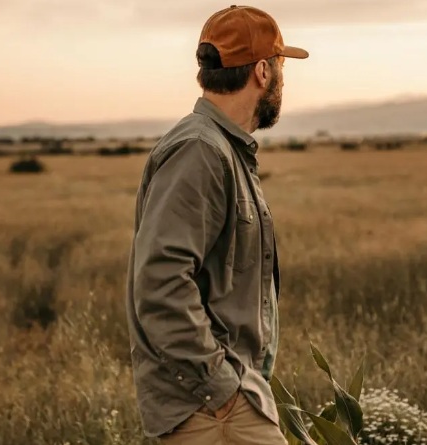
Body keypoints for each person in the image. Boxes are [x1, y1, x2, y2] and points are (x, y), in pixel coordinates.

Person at [125, 5, 308, 444]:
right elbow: (160, 281)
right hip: (213, 410)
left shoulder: (222, 150)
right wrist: (221, 388)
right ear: (263, 71)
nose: (283, 78)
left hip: (227, 403)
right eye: (281, 65)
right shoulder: (201, 151)